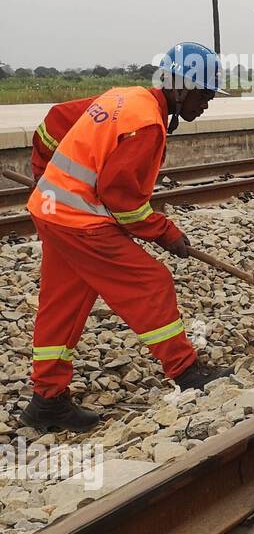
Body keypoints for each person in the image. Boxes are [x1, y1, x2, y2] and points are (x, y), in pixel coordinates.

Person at [21, 43, 232, 432]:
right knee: (150, 282)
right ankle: (186, 371)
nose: (207, 105)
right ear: (181, 88)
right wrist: (166, 232)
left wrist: (42, 176)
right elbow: (122, 201)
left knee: (63, 303)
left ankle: (47, 400)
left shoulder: (123, 97)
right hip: (79, 220)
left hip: (51, 211)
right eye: (204, 94)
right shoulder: (147, 124)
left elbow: (57, 119)